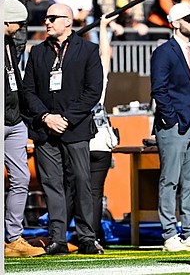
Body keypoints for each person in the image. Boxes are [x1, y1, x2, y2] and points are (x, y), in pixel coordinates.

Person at [21, 3, 104, 255]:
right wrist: (46, 116)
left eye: (52, 18)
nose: (47, 22)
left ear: (68, 21)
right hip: (45, 130)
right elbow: (28, 91)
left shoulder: (88, 50)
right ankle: (57, 238)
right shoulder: (38, 52)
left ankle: (86, 237)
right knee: (51, 183)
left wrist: (65, 118)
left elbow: (93, 91)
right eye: (46, 18)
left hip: (75, 128)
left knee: (81, 182)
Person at [150, 3, 190, 252]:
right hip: (176, 125)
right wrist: (171, 118)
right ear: (175, 23)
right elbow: (160, 89)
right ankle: (170, 234)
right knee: (170, 180)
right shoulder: (164, 52)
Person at [3, 0, 47, 258]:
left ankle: (14, 239)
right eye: (18, 22)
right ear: (6, 21)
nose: (21, 28)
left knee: (21, 179)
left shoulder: (9, 44)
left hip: (15, 120)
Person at [85, 14, 120, 246]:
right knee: (95, 192)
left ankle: (86, 235)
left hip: (83, 140)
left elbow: (104, 57)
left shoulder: (73, 80)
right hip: (99, 139)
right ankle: (94, 236)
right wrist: (104, 28)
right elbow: (105, 57)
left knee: (78, 191)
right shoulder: (96, 80)